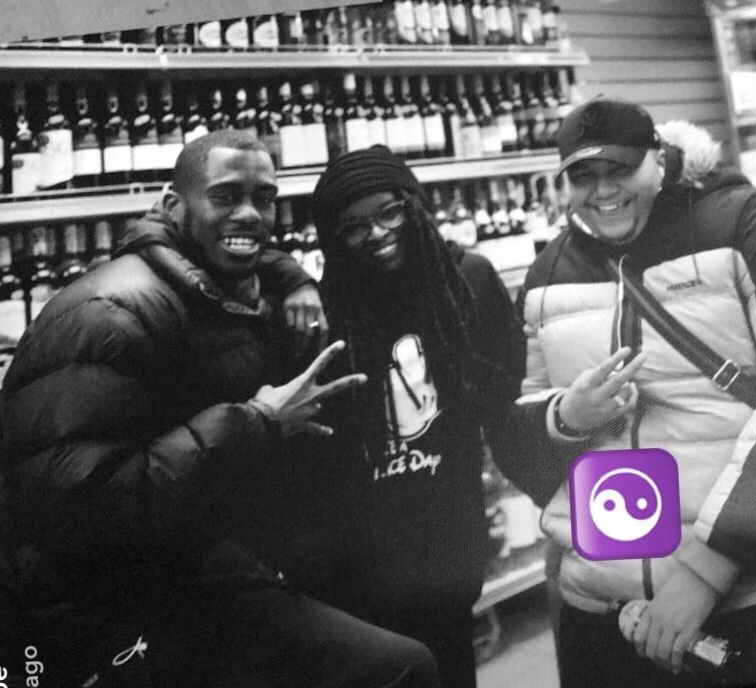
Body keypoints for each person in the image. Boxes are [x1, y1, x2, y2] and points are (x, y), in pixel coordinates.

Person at [0, 131, 440, 687]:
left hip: (199, 566)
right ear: (172, 205)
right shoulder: (108, 315)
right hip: (108, 608)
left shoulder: (212, 285)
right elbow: (75, 509)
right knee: (404, 668)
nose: (250, 214)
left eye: (264, 198)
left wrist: (293, 276)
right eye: (227, 196)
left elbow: (243, 248)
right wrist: (256, 422)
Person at [512, 98, 756, 688]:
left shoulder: (748, 224)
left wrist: (706, 572)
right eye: (583, 175)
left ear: (659, 159)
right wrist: (566, 416)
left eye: (620, 168)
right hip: (602, 607)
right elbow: (520, 422)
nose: (604, 190)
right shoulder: (549, 272)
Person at [297, 146, 527, 688]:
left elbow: (505, 380)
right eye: (353, 226)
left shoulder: (468, 277)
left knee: (450, 665)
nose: (376, 233)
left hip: (449, 528)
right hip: (364, 546)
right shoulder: (326, 304)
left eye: (388, 212)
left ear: (414, 207)